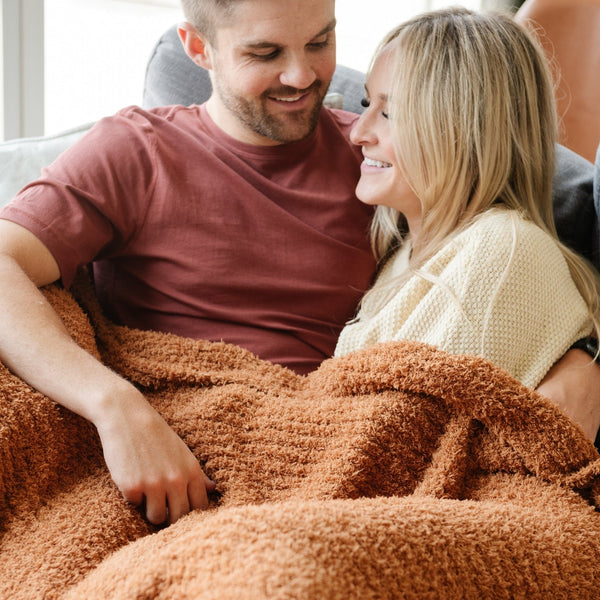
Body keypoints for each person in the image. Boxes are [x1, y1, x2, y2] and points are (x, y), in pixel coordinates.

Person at [0, 0, 597, 526]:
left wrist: (589, 356)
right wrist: (115, 407)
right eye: (265, 52)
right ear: (198, 48)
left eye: (320, 42)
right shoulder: (135, 152)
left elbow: (508, 270)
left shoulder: (388, 168)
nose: (302, 76)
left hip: (325, 472)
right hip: (170, 463)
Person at [335, 8, 600, 392]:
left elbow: (400, 435)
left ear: (464, 132)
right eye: (366, 105)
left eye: (389, 112)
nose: (358, 132)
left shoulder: (501, 253)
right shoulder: (404, 255)